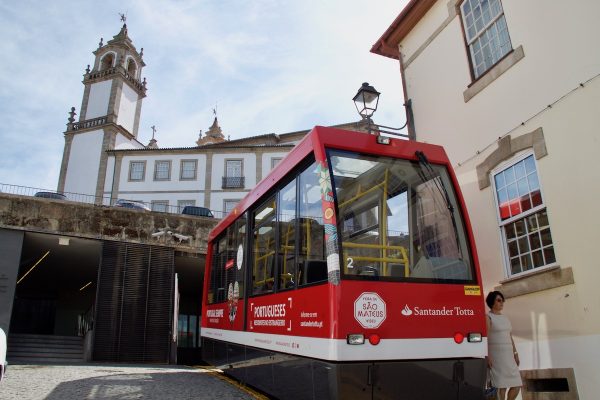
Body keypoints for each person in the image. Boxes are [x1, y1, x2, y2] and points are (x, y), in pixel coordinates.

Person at [486, 291, 522, 400]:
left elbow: (510, 337)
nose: (502, 303)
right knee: (501, 386)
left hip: (509, 356)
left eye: (502, 300)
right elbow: (485, 338)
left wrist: (515, 353)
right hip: (497, 357)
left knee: (517, 385)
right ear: (492, 302)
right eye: (499, 300)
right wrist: (487, 356)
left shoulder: (505, 318)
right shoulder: (488, 317)